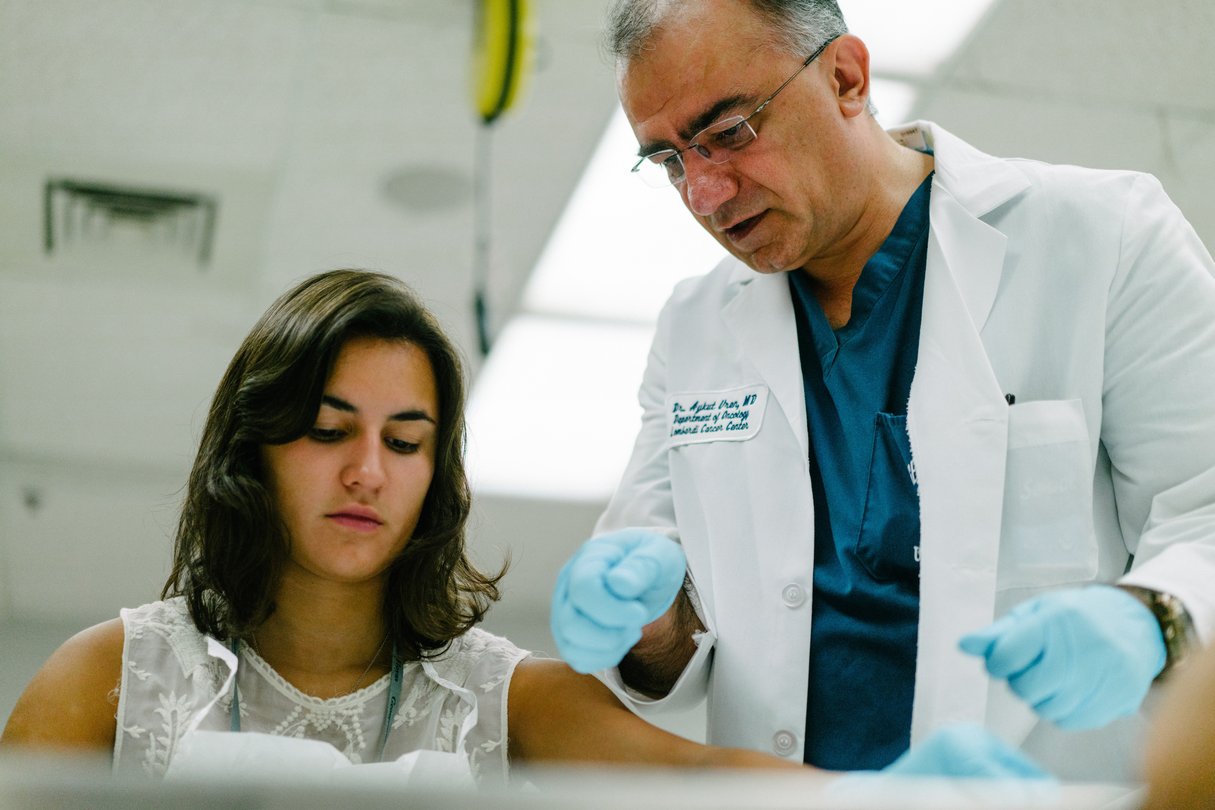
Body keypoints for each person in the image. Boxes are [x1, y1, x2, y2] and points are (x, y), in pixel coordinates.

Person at [0, 269, 1035, 786]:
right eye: (327, 430)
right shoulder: (111, 677)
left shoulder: (508, 696)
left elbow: (706, 787)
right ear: (252, 449)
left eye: (406, 443)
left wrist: (896, 800)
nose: (368, 472)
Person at [550, 0, 1215, 781]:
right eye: (667, 160)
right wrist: (643, 624)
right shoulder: (695, 328)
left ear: (845, 77)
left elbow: (1204, 506)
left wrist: (1153, 619)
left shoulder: (1101, 234)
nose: (704, 193)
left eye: (729, 133)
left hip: (1043, 788)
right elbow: (668, 627)